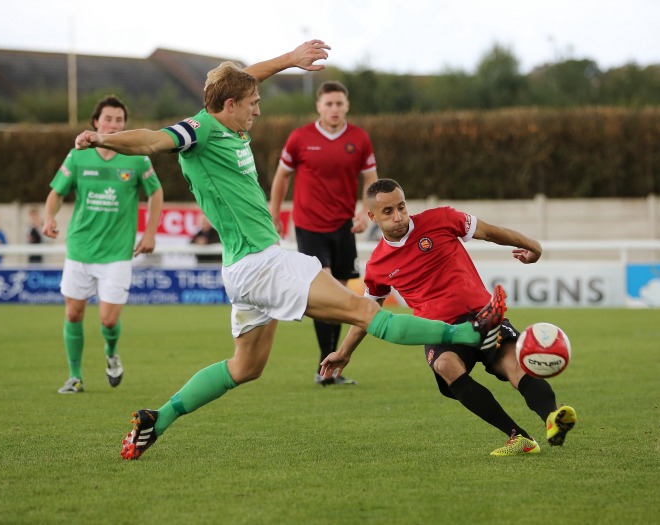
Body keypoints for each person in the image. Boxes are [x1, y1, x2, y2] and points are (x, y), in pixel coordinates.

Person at [72, 41, 505, 461]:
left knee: (245, 368)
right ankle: (470, 334)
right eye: (253, 102)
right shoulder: (198, 131)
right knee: (366, 312)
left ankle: (157, 419)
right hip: (265, 264)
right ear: (229, 105)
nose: (259, 108)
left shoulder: (225, 115)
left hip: (243, 269)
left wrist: (291, 60)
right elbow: (150, 140)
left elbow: (246, 79)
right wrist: (101, 139)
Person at [320, 178, 577, 456]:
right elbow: (367, 314)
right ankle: (518, 437)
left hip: (485, 316)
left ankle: (552, 419)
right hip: (438, 330)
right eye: (388, 212)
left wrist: (534, 246)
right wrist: (344, 352)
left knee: (516, 366)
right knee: (446, 365)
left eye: (402, 207)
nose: (398, 217)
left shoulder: (441, 218)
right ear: (372, 217)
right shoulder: (377, 266)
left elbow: (490, 232)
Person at [44, 95, 164, 394]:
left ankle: (111, 355)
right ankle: (75, 377)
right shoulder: (77, 156)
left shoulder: (137, 157)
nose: (113, 124)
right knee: (73, 314)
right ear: (96, 122)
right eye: (108, 119)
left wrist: (149, 232)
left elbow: (156, 192)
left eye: (119, 120)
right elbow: (57, 192)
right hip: (80, 248)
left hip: (117, 254)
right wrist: (49, 216)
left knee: (109, 321)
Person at [269, 81, 378, 386]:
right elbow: (282, 177)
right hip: (310, 225)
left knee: (341, 297)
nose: (334, 109)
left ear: (347, 106)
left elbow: (371, 179)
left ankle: (330, 367)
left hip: (343, 227)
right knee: (326, 291)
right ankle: (324, 368)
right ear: (318, 106)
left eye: (339, 104)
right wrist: (275, 214)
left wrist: (365, 213)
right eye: (328, 103)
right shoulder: (300, 138)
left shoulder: (359, 138)